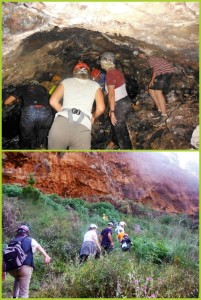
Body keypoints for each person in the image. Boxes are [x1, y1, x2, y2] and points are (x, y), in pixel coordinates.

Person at [48, 62, 105, 150]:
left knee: (53, 160)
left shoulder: (66, 81)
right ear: (88, 73)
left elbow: (53, 101)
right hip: (82, 126)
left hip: (61, 125)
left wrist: (64, 112)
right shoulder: (95, 85)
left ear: (75, 72)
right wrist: (93, 116)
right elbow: (101, 108)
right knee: (77, 162)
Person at [4, 225, 51, 298]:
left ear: (18, 232)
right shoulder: (30, 239)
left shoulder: (12, 241)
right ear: (27, 232)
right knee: (23, 293)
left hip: (12, 269)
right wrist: (46, 256)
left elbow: (5, 255)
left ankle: (14, 297)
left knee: (17, 278)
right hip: (25, 267)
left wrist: (3, 271)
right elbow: (39, 247)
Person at [3, 80, 53, 149]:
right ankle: (41, 146)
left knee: (26, 136)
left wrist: (13, 103)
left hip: (30, 111)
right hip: (46, 111)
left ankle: (25, 151)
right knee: (42, 132)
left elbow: (6, 102)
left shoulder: (24, 87)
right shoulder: (43, 89)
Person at [100, 52, 132, 149]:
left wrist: (112, 111)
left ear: (104, 62)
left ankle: (127, 151)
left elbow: (111, 94)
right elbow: (112, 89)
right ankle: (115, 141)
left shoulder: (109, 74)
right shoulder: (116, 72)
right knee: (117, 126)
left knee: (121, 130)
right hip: (125, 101)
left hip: (119, 105)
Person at [139, 53, 175, 126]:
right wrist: (152, 81)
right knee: (151, 90)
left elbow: (155, 70)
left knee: (158, 92)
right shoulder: (150, 59)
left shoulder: (151, 58)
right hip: (161, 74)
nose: (140, 56)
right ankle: (159, 110)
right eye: (139, 56)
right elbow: (156, 70)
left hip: (166, 73)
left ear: (144, 53)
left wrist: (152, 80)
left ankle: (164, 115)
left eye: (141, 54)